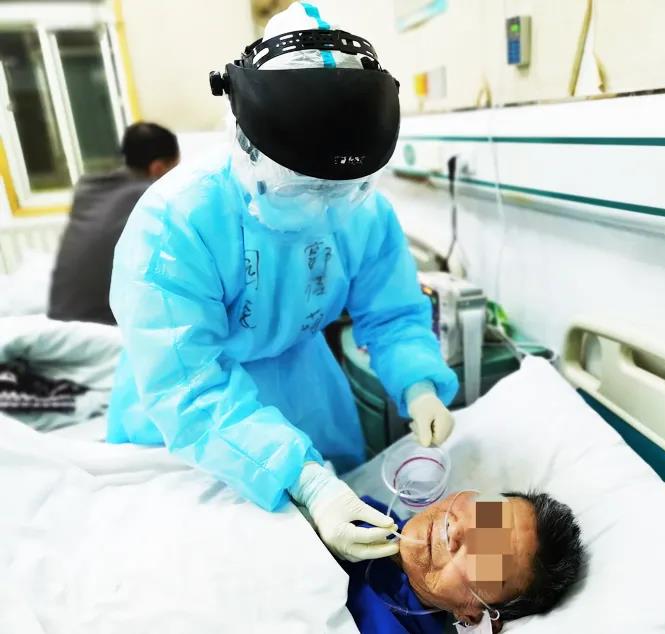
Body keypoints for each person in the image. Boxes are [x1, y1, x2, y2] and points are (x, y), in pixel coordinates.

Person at [106, 1, 458, 564]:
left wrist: (418, 383)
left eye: (342, 190)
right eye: (301, 187)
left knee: (340, 555)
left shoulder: (364, 212)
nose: (324, 208)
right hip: (199, 416)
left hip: (307, 386)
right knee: (225, 561)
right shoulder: (176, 222)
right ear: (248, 147)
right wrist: (306, 480)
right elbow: (189, 386)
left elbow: (392, 312)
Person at [342, 490, 585, 634]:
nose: (455, 530)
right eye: (487, 514)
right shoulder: (373, 514)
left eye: (487, 555)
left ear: (474, 615)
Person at [47, 123, 179, 325]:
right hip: (103, 327)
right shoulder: (152, 198)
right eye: (174, 169)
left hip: (59, 317)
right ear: (158, 168)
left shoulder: (88, 189)